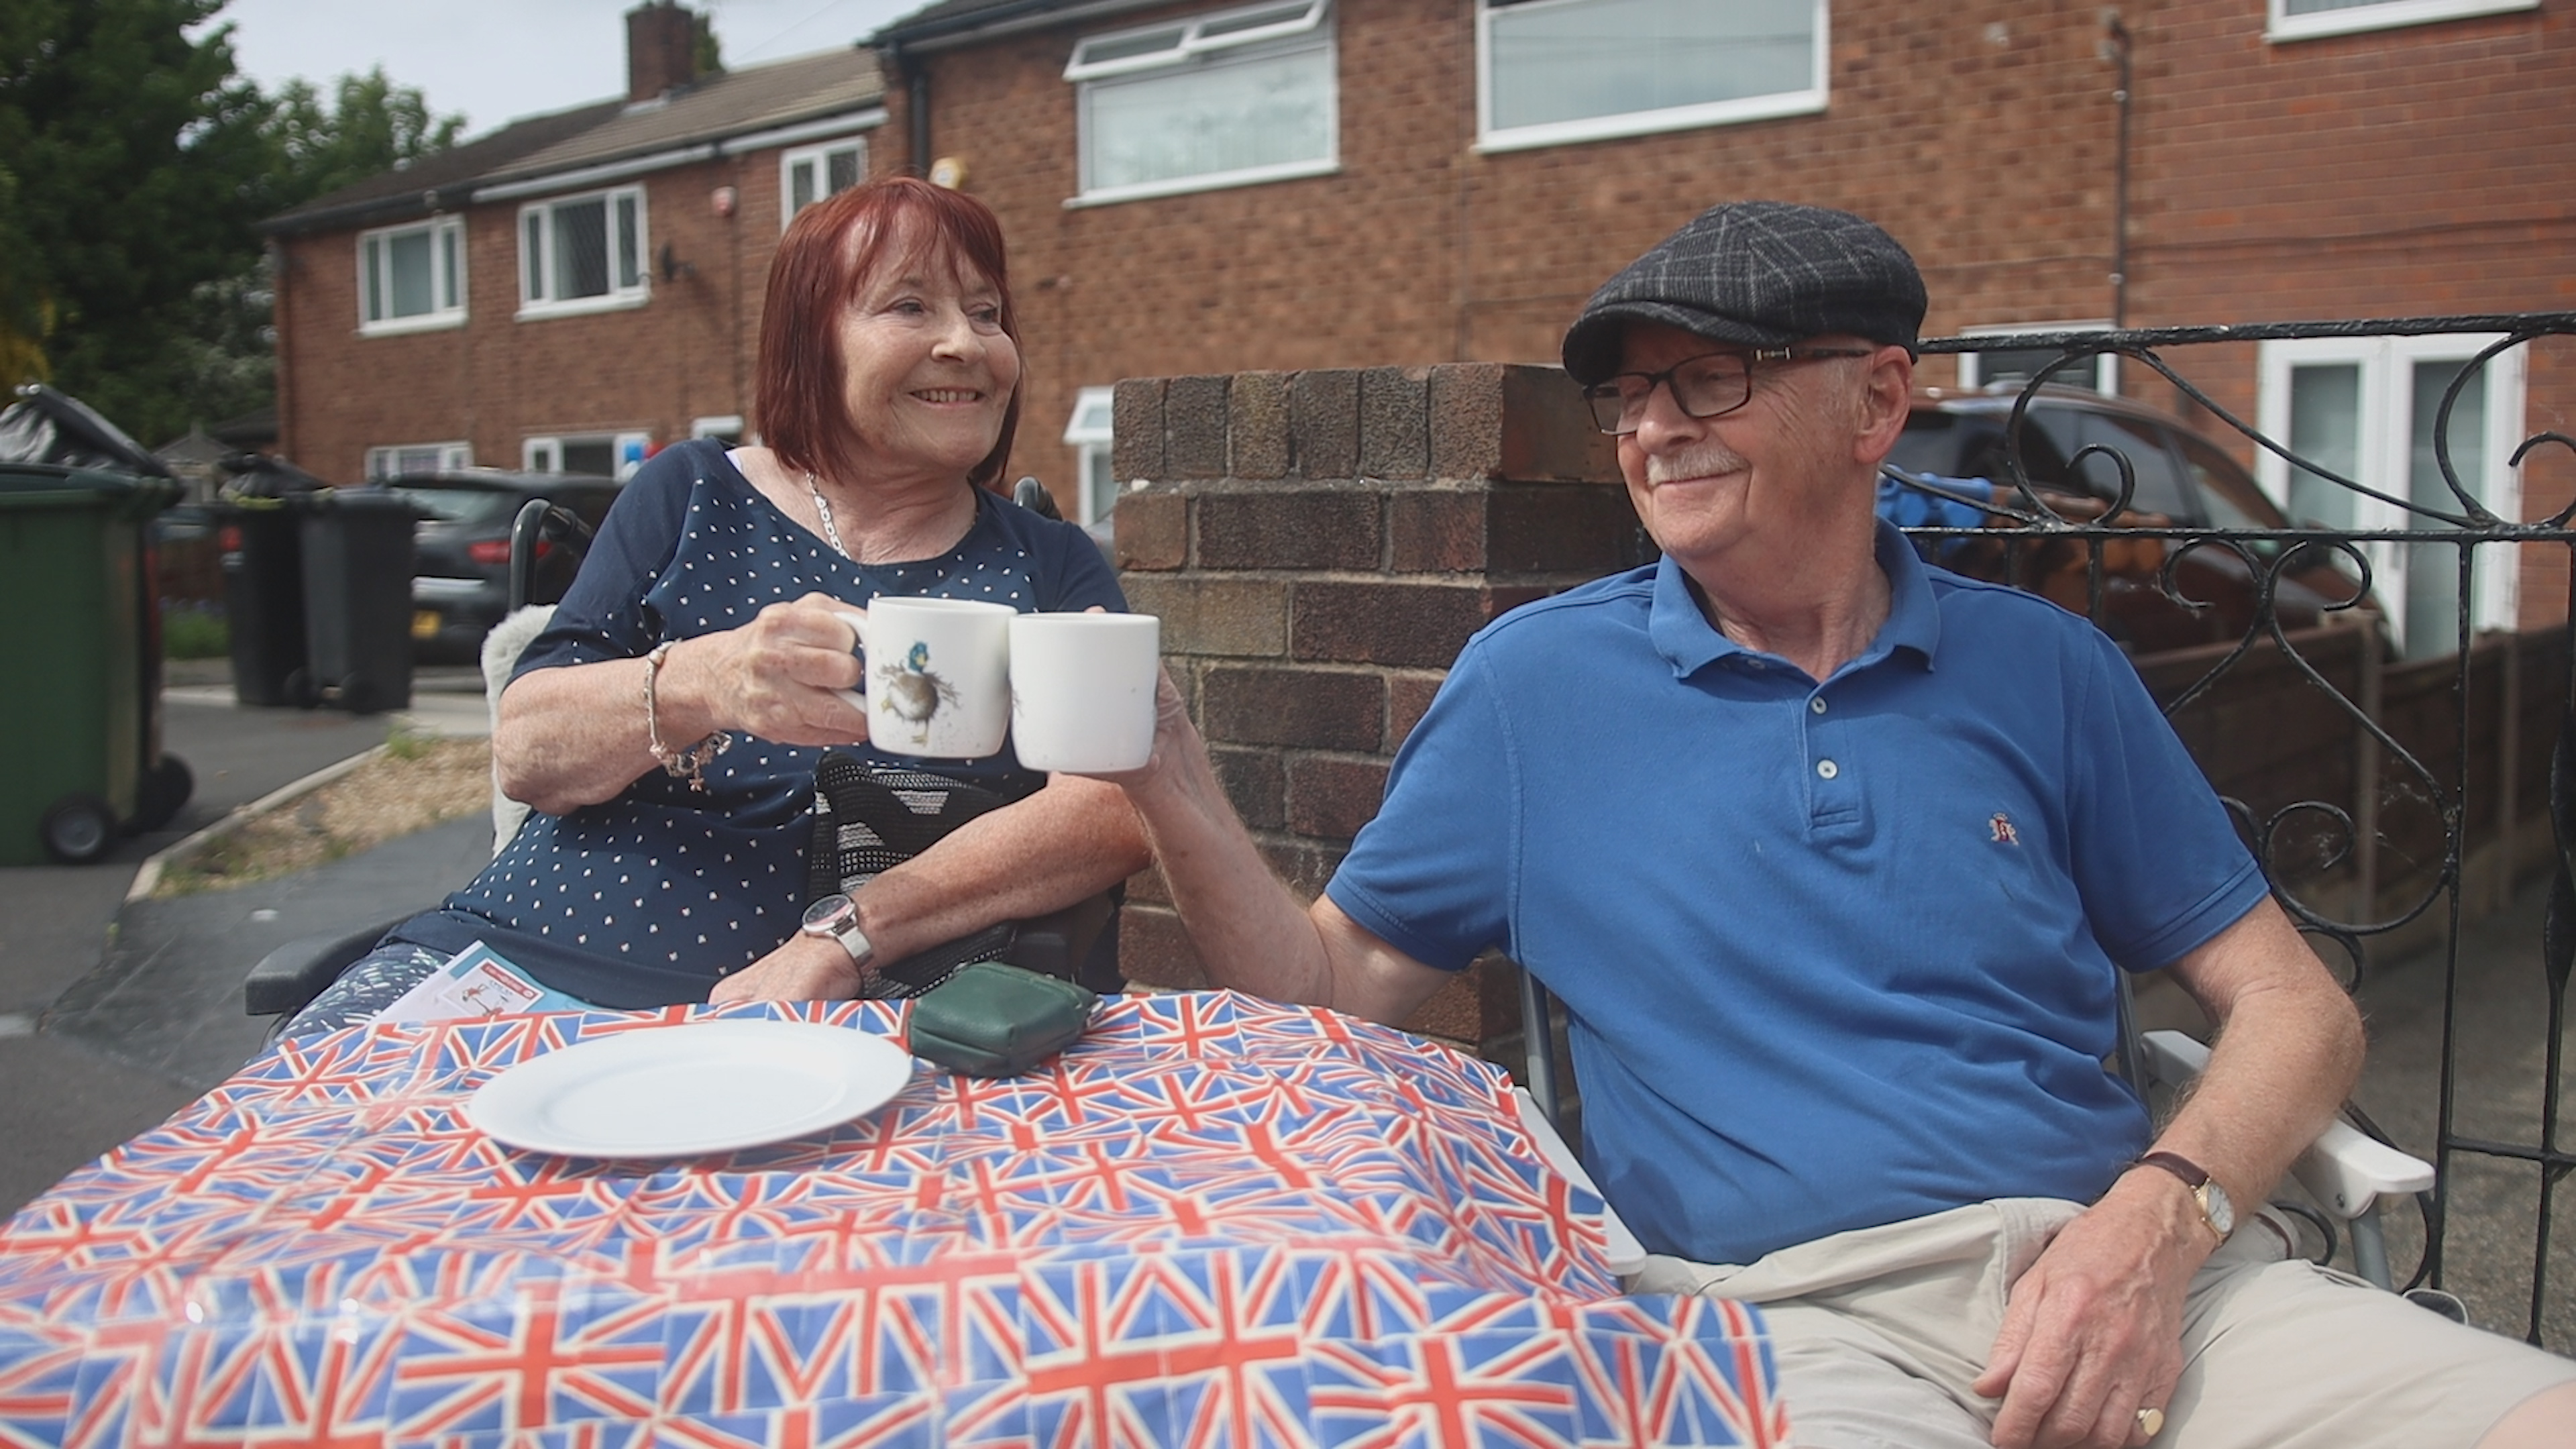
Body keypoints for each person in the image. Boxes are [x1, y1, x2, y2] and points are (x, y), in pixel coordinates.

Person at [1089, 201, 2576, 1448]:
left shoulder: (2047, 670)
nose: (1653, 429)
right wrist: (1166, 773)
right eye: (1630, 396)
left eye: (1710, 380)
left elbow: (2295, 1008)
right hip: (1784, 1331)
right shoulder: (1537, 689)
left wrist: (2159, 1221)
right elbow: (1332, 995)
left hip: (2139, 1277)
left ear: (1876, 402)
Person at [282, 176, 1148, 1034]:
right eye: (910, 307)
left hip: (830, 1016)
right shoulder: (691, 494)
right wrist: (706, 682)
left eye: (988, 313)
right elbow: (527, 752)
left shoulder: (1046, 561)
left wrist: (852, 934)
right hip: (521, 964)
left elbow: (1113, 809)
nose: (965, 343)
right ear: (812, 343)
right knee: (305, 1157)